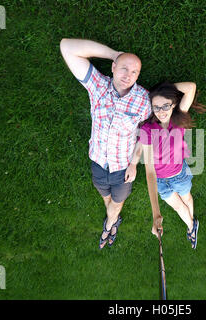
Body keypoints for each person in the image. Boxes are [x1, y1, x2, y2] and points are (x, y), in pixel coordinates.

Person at [60, 39, 151, 249]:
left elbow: (148, 133)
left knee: (117, 204)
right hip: (98, 162)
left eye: (135, 72)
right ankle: (112, 218)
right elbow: (67, 47)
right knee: (106, 198)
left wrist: (135, 163)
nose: (128, 75)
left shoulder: (145, 101)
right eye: (124, 68)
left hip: (123, 169)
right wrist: (114, 54)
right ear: (113, 67)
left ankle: (109, 225)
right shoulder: (98, 86)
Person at [138, 81, 206, 249]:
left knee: (187, 198)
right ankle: (191, 226)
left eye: (166, 105)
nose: (161, 112)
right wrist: (156, 213)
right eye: (156, 107)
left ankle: (191, 225)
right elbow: (149, 171)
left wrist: (162, 90)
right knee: (178, 207)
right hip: (160, 182)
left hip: (179, 175)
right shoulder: (147, 129)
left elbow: (190, 87)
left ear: (174, 104)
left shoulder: (178, 117)